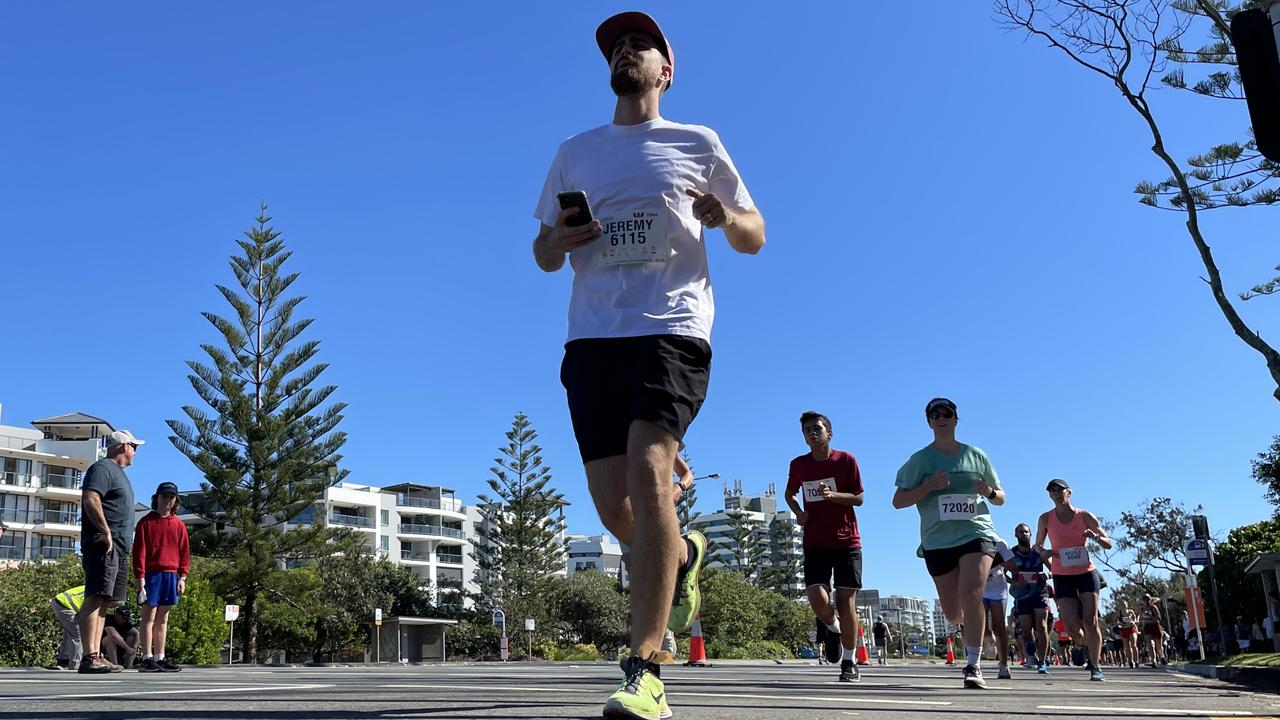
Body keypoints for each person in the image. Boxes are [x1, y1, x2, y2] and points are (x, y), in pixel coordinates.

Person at [531, 11, 766, 719]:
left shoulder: (699, 141)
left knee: (650, 468)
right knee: (620, 511)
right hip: (592, 337)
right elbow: (544, 253)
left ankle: (647, 668)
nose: (627, 50)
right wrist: (564, 235)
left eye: (641, 44)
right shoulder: (577, 151)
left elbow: (754, 236)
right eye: (617, 45)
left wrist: (724, 219)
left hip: (672, 328)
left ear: (668, 70)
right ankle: (685, 556)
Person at [893, 397, 1005, 689]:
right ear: (929, 422)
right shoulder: (920, 461)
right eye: (935, 414)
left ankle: (973, 665)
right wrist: (928, 485)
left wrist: (989, 491)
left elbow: (1001, 497)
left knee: (972, 593)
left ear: (956, 419)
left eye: (947, 413)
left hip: (976, 532)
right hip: (938, 539)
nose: (941, 418)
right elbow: (898, 501)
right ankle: (971, 628)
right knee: (955, 612)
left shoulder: (975, 455)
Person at [784, 411, 865, 683]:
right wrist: (798, 512)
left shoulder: (846, 460)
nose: (812, 433)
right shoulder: (799, 465)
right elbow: (790, 493)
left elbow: (859, 498)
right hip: (815, 542)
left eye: (817, 428)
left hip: (846, 541)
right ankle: (833, 628)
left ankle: (849, 660)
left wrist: (834, 496)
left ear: (829, 433)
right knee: (816, 597)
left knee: (845, 601)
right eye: (807, 430)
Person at [77, 430, 141, 673]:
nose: (136, 451)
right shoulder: (102, 468)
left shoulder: (119, 474)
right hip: (104, 545)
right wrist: (105, 531)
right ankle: (89, 655)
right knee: (95, 596)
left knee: (105, 600)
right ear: (124, 446)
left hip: (119, 548)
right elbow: (91, 497)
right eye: (134, 446)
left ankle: (96, 654)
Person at [1035, 478, 1112, 682]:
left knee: (1090, 620)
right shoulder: (1045, 518)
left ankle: (1095, 666)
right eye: (1052, 491)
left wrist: (1094, 537)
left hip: (1086, 573)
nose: (1057, 494)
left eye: (1060, 490)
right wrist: (1045, 553)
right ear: (1049, 496)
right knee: (1070, 626)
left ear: (1069, 492)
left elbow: (1108, 542)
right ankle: (1082, 644)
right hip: (1062, 575)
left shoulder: (1084, 516)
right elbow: (1038, 546)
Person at [133, 481, 190, 672]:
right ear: (157, 498)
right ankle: (147, 657)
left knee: (163, 618)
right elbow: (139, 551)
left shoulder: (179, 525)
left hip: (171, 575)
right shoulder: (145, 523)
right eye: (164, 496)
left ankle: (160, 656)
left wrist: (182, 577)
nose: (167, 500)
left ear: (175, 501)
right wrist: (140, 577)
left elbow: (184, 553)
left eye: (171, 497)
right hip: (151, 574)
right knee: (148, 616)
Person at [1007, 522, 1052, 673]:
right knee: (1026, 630)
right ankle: (1031, 650)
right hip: (1021, 595)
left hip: (1040, 592)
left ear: (1030, 534)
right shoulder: (1011, 553)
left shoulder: (1038, 551)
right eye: (1020, 532)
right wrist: (1013, 581)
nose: (1023, 534)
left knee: (1042, 626)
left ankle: (1043, 661)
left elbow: (1054, 568)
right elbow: (1001, 570)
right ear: (1015, 535)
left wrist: (1047, 574)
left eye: (1026, 532)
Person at [982, 538, 1015, 679]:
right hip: (980, 587)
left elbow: (1012, 566)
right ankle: (988, 639)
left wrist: (995, 560)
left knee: (999, 626)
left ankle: (1003, 665)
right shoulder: (971, 540)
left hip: (998, 589)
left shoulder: (1000, 543)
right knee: (981, 624)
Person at [47, 585, 86, 670]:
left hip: (59, 602)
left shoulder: (92, 588)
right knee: (78, 635)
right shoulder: (97, 596)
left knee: (70, 632)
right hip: (65, 605)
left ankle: (63, 661)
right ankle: (75, 665)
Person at [1139, 595, 1166, 665]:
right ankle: (1154, 660)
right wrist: (1142, 621)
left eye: (1145, 600)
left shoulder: (1153, 607)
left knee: (1159, 645)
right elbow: (1141, 618)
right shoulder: (1142, 609)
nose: (1144, 602)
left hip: (1155, 627)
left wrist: (1150, 619)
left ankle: (1162, 657)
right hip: (1147, 628)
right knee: (1149, 644)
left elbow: (1158, 618)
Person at [1116, 598, 1140, 668]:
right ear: (1120, 606)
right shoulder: (1119, 613)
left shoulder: (1130, 612)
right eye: (1122, 604)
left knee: (1133, 645)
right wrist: (1119, 623)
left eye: (1125, 604)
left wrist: (1134, 622)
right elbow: (1115, 621)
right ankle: (1130, 661)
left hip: (1131, 629)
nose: (1123, 605)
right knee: (1127, 647)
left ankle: (1137, 660)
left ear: (1127, 605)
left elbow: (1135, 619)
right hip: (1124, 630)